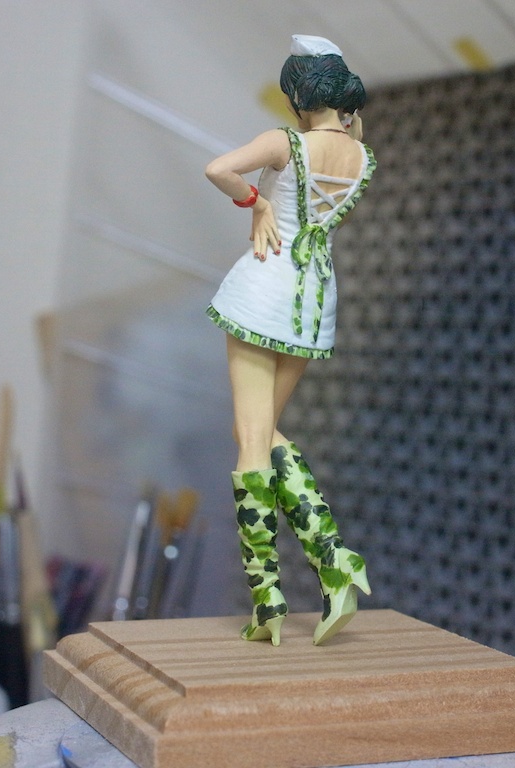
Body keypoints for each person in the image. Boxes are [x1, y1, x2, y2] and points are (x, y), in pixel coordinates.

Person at [205, 34, 377, 646]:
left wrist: (255, 203)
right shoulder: (362, 156)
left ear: (300, 95)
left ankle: (267, 596)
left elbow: (219, 169)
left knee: (252, 440)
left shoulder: (286, 143)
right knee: (260, 430)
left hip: (267, 285)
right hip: (314, 301)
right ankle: (334, 562)